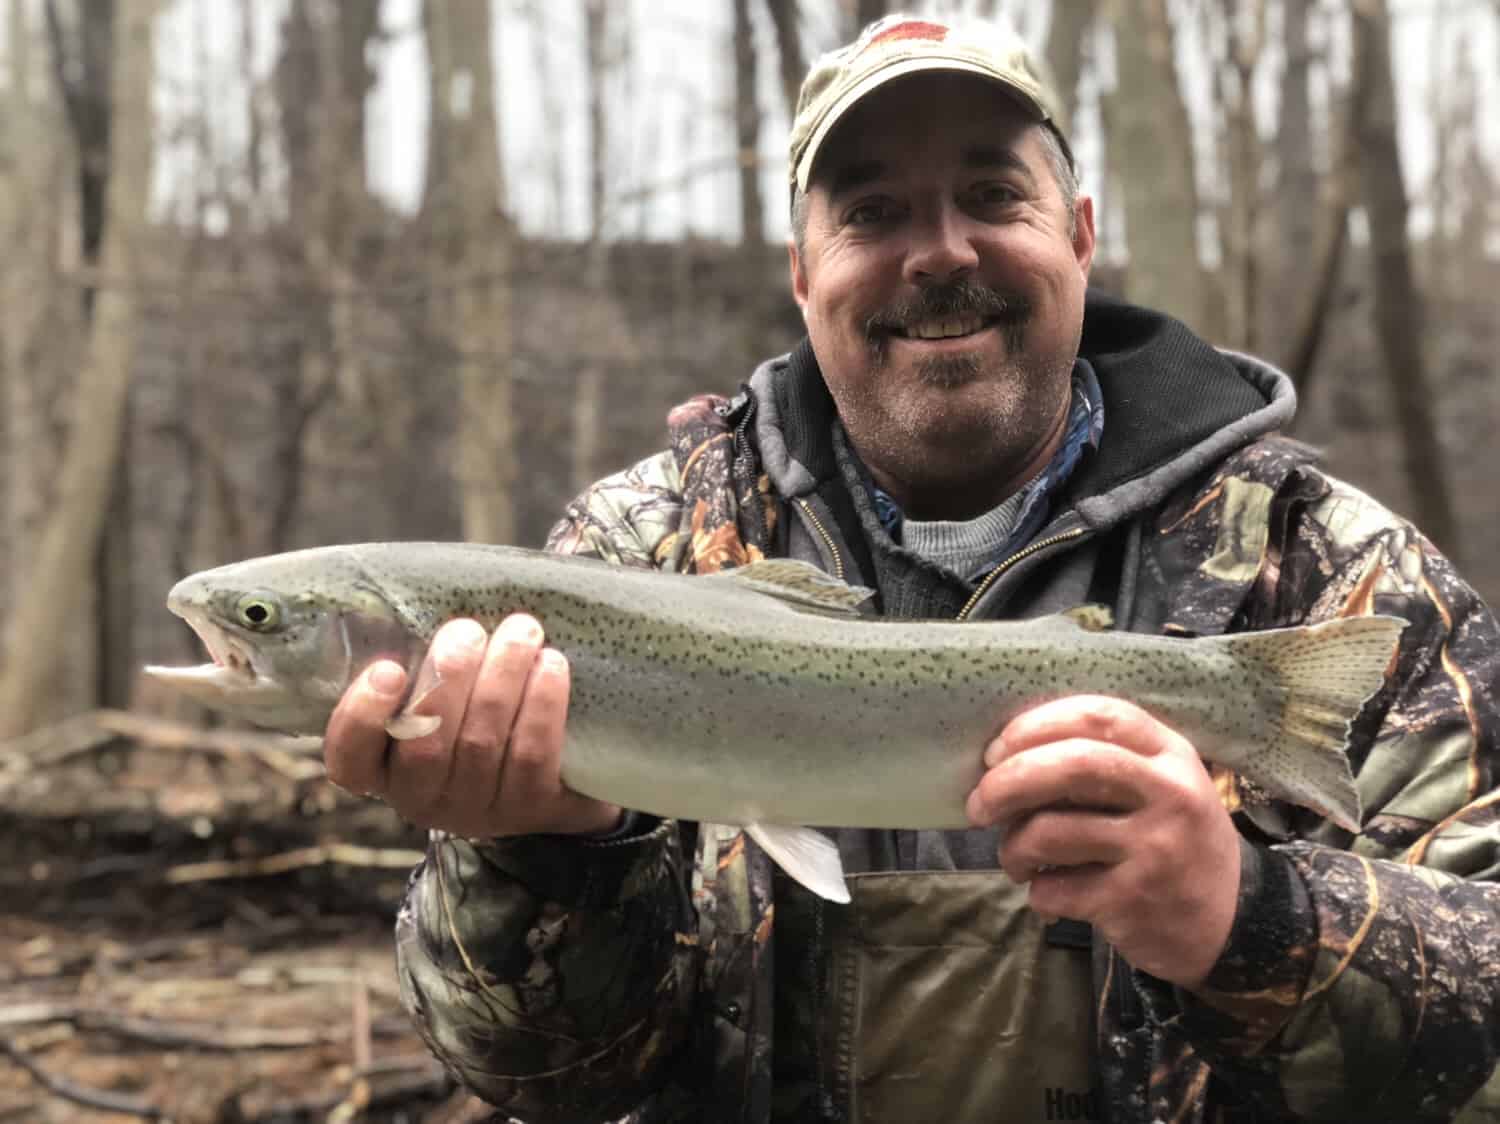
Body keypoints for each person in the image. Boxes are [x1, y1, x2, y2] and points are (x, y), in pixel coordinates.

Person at [323, 13, 1500, 1123]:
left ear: (1081, 236)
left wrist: (1252, 917)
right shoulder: (638, 554)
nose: (939, 252)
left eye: (991, 195)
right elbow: (540, 1075)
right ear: (802, 272)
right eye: (873, 211)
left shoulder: (1335, 571)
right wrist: (539, 856)